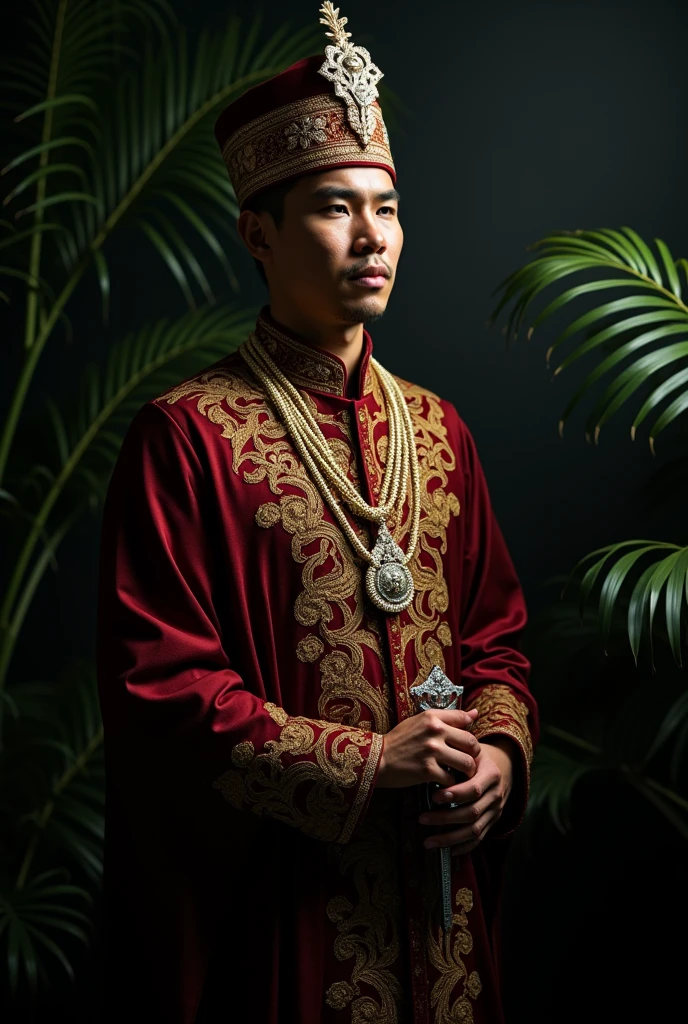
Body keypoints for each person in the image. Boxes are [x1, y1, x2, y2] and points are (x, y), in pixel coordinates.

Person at [97, 5, 538, 1022]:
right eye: (337, 208)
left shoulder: (436, 430)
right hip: (284, 907)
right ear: (258, 233)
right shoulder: (187, 435)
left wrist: (499, 759)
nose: (372, 238)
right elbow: (159, 683)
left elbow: (497, 638)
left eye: (386, 209)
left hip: (442, 906)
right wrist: (359, 762)